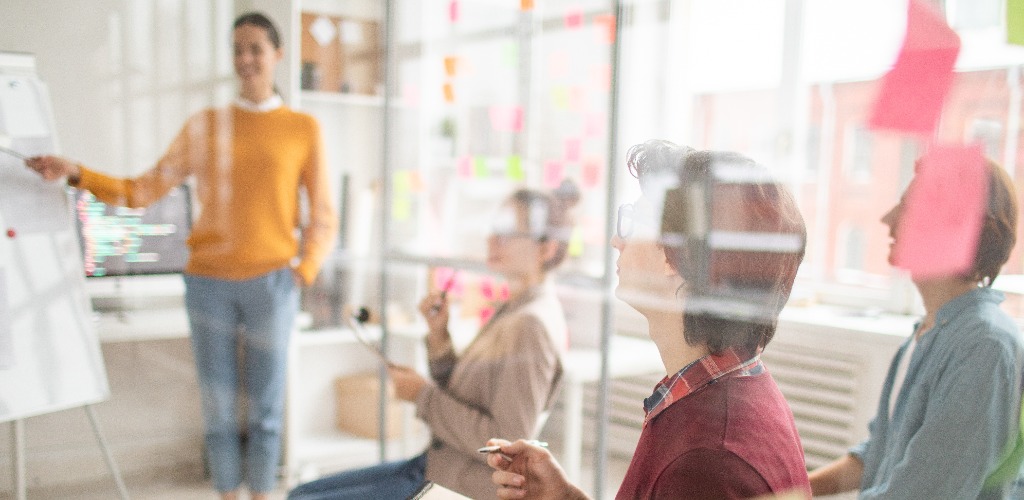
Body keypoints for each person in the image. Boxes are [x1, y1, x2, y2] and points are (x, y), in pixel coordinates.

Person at [26, 12, 337, 500]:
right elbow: (142, 190)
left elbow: (321, 213)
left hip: (273, 284)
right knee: (217, 410)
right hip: (208, 284)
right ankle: (228, 496)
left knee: (266, 410)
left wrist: (305, 270)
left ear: (278, 55)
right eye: (237, 49)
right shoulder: (206, 126)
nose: (245, 59)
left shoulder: (303, 128)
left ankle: (260, 495)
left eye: (256, 48)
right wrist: (77, 173)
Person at [487, 140, 812, 499]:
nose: (616, 240)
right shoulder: (721, 396)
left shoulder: (706, 462)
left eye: (633, 223)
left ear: (677, 255)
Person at [287, 183, 580, 500]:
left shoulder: (530, 325)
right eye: (495, 228)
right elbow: (468, 396)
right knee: (300, 492)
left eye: (508, 231)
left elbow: (506, 444)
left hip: (457, 485)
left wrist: (422, 395)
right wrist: (439, 338)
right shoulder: (514, 309)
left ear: (546, 249)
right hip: (437, 464)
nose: (493, 238)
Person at [808, 156, 1024, 498]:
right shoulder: (929, 330)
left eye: (907, 209)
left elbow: (924, 493)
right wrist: (794, 492)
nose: (887, 219)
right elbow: (879, 456)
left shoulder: (984, 345)